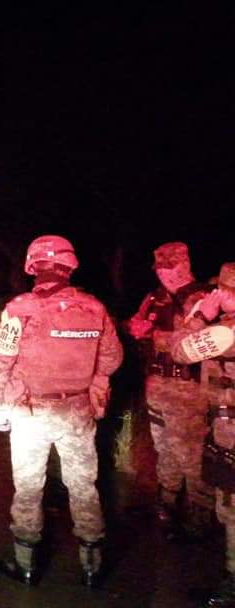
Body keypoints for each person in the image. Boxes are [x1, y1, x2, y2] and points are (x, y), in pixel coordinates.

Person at [0, 235, 123, 587]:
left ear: (33, 267)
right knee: (84, 487)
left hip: (30, 414)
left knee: (28, 488)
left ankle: (26, 567)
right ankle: (92, 569)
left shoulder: (20, 308)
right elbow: (112, 358)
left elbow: (2, 361)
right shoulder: (94, 308)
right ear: (69, 267)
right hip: (77, 412)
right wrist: (93, 382)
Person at [125, 241, 213, 539]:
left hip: (188, 389)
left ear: (185, 265)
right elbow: (138, 324)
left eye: (171, 268)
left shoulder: (201, 299)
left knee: (190, 452)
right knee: (164, 448)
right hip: (156, 384)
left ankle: (200, 515)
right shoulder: (155, 297)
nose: (165, 274)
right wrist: (136, 328)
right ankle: (167, 506)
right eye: (160, 269)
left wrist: (156, 335)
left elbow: (199, 342)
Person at [171, 262, 235, 607]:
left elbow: (180, 350)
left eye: (221, 290)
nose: (217, 294)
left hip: (232, 432)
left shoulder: (227, 331)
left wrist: (200, 314)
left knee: (232, 510)